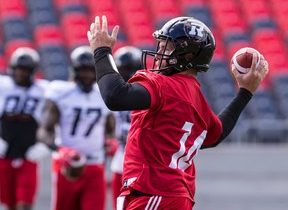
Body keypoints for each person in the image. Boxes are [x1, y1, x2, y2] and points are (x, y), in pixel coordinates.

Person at [87, 16, 269, 210]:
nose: (159, 53)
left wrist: (101, 51)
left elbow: (115, 96)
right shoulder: (195, 96)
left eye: (166, 47)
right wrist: (245, 92)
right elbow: (216, 134)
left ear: (187, 55)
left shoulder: (165, 86)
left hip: (153, 191)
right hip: (171, 195)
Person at [36, 45, 115, 210]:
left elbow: (109, 130)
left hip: (95, 165)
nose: (87, 75)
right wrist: (58, 149)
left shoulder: (102, 95)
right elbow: (44, 130)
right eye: (82, 70)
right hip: (66, 165)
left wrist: (109, 142)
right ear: (74, 70)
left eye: (90, 70)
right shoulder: (61, 92)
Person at [0, 47, 50, 210]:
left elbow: (56, 117)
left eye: (26, 70)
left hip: (29, 151)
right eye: (19, 69)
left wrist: (45, 144)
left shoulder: (44, 89)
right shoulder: (3, 85)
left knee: (26, 203)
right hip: (4, 152)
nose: (22, 74)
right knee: (9, 204)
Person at [110, 46, 143, 210]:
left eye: (131, 69)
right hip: (121, 159)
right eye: (123, 70)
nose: (128, 74)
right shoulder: (108, 94)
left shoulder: (148, 91)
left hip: (143, 164)